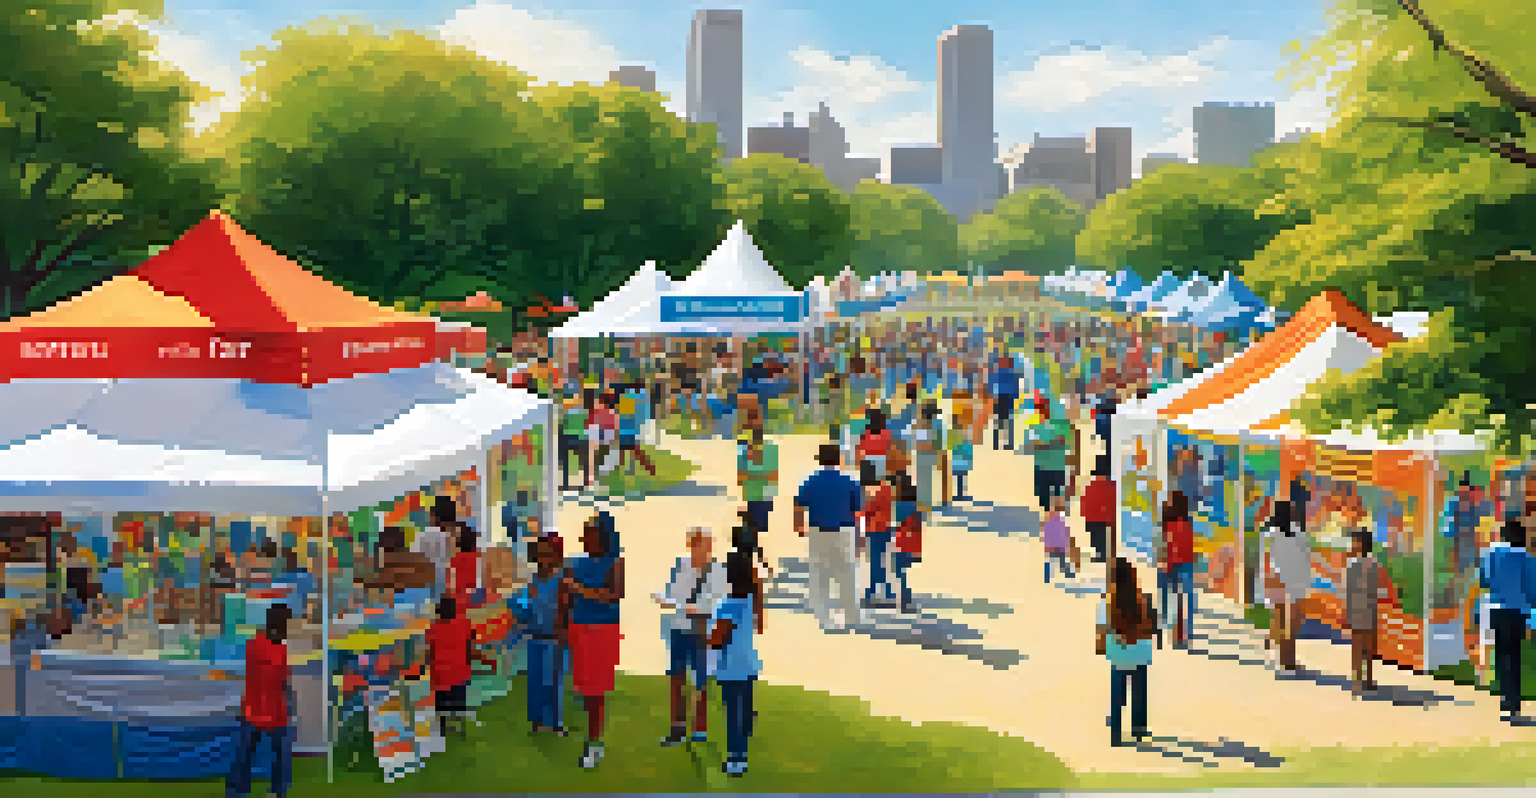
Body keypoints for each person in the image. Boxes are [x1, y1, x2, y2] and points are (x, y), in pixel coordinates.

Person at [655, 526, 727, 747]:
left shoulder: (718, 571)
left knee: (701, 681)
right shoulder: (682, 565)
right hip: (679, 629)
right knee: (677, 679)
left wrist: (684, 606)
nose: (704, 549)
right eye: (699, 544)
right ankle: (677, 728)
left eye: (707, 545)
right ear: (692, 545)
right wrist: (666, 600)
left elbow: (717, 603)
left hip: (701, 631)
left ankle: (699, 728)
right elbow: (673, 593)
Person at [564, 512, 625, 768]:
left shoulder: (615, 562)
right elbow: (565, 597)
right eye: (584, 532)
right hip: (579, 628)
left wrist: (579, 589)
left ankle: (594, 743)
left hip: (602, 630)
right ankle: (592, 739)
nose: (583, 537)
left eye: (589, 533)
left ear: (602, 536)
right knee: (585, 689)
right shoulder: (575, 562)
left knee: (596, 690)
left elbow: (614, 594)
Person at [794, 444, 864, 632]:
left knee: (820, 575)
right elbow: (858, 513)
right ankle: (852, 617)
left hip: (818, 531)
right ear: (839, 459)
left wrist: (799, 525)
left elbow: (798, 505)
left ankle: (824, 618)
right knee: (848, 574)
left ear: (820, 460)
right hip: (845, 531)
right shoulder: (850, 482)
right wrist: (860, 536)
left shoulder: (810, 481)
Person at [228, 604, 295, 798]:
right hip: (266, 707)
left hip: (259, 706)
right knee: (272, 754)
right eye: (288, 622)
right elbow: (280, 677)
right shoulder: (273, 647)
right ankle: (275, 791)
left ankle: (240, 791)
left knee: (247, 753)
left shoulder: (258, 643)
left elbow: (278, 677)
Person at [710, 549, 764, 777]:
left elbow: (716, 640)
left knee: (733, 715)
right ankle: (743, 744)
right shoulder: (752, 601)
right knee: (744, 713)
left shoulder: (726, 606)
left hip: (730, 669)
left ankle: (736, 759)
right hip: (749, 666)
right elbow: (759, 626)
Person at [1480, 518, 1536, 722]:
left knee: (1502, 655)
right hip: (1518, 612)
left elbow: (1484, 580)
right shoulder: (1527, 558)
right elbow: (1532, 589)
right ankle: (1514, 703)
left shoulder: (1491, 554)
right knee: (1515, 655)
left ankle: (1505, 700)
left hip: (1496, 610)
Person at [1096, 558, 1156, 746]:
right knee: (1139, 693)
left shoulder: (1107, 601)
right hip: (1140, 653)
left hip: (1119, 654)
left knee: (1117, 694)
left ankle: (1116, 733)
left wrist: (1101, 646)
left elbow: (1101, 629)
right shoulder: (1143, 599)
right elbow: (1151, 626)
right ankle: (1139, 730)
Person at [515, 536, 570, 735]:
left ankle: (556, 723)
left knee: (553, 682)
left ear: (557, 556)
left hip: (555, 639)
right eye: (540, 553)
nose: (542, 558)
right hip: (535, 637)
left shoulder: (561, 580)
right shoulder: (534, 580)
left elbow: (566, 609)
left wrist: (563, 634)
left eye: (548, 553)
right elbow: (526, 606)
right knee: (535, 682)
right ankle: (537, 722)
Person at [1263, 499, 1311, 673]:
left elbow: (1265, 558)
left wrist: (1264, 581)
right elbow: (1306, 558)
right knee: (1292, 624)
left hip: (1277, 579)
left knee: (1280, 621)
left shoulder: (1270, 533)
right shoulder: (1299, 534)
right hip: (1295, 581)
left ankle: (1283, 659)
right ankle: (1289, 659)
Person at [1344, 526, 1388, 696]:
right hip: (1369, 609)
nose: (1351, 545)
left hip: (1357, 609)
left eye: (1354, 542)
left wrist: (1347, 612)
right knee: (1368, 647)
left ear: (1360, 544)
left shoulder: (1352, 564)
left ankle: (1358, 681)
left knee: (1358, 646)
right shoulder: (1373, 563)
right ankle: (1366, 680)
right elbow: (1377, 588)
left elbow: (1348, 590)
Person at [426, 595, 473, 740]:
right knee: (458, 700)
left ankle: (442, 727)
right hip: (459, 673)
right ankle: (459, 725)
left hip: (441, 675)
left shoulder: (433, 628)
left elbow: (430, 652)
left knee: (441, 702)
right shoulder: (464, 624)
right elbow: (468, 647)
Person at [1159, 490, 1197, 649]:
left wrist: (1164, 565)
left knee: (1174, 599)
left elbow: (1166, 546)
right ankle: (1182, 634)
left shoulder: (1169, 523)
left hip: (1172, 564)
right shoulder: (1187, 523)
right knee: (1183, 600)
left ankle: (1173, 632)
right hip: (1184, 564)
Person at [858, 464, 895, 608]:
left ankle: (873, 591)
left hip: (873, 530)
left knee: (874, 561)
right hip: (886, 528)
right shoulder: (886, 487)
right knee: (885, 560)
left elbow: (865, 512)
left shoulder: (867, 492)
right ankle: (887, 591)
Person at [1026, 400, 1070, 515]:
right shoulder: (1037, 428)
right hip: (1049, 467)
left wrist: (1044, 444)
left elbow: (1033, 445)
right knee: (1048, 501)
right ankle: (1052, 524)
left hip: (1051, 468)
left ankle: (1054, 524)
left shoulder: (1054, 427)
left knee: (1053, 502)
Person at [891, 475, 923, 614]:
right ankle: (905, 599)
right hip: (910, 544)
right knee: (902, 573)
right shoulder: (915, 509)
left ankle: (902, 600)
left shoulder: (897, 506)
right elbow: (917, 530)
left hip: (899, 542)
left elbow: (893, 525)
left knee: (898, 573)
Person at [739, 427, 779, 536]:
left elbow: (741, 477)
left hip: (758, 494)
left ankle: (755, 547)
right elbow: (773, 475)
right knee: (757, 528)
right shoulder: (770, 451)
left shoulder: (747, 452)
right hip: (761, 494)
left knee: (755, 528)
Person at [414, 496, 457, 598]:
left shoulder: (422, 535)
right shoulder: (456, 537)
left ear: (433, 516)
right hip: (450, 589)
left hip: (425, 587)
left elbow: (414, 561)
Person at [1081, 455, 1117, 564]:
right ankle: (1105, 554)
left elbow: (1085, 501)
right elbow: (1113, 502)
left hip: (1093, 517)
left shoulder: (1091, 485)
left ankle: (1101, 553)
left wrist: (1084, 515)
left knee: (1096, 536)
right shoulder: (1112, 485)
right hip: (1104, 517)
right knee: (1103, 536)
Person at [912, 401, 943, 512]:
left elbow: (916, 441)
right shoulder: (936, 425)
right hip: (930, 455)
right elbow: (938, 442)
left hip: (922, 455)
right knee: (927, 480)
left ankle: (922, 504)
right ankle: (926, 504)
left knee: (922, 480)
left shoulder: (920, 425)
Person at [1042, 492, 1078, 582]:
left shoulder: (1049, 517)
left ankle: (1047, 577)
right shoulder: (1059, 519)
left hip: (1051, 546)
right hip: (1059, 546)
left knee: (1051, 561)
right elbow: (1064, 532)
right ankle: (1068, 573)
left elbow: (1045, 531)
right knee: (1061, 561)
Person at [450, 523, 484, 612]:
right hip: (474, 597)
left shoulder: (456, 559)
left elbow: (452, 580)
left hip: (458, 597)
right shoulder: (478, 558)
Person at [560, 392, 591, 490]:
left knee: (565, 462)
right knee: (584, 462)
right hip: (581, 438)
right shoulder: (585, 412)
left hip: (569, 437)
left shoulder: (567, 412)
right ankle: (585, 483)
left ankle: (566, 483)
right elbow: (587, 424)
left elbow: (563, 425)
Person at [989, 355, 1020, 450]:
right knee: (1007, 421)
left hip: (1001, 397)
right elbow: (1015, 386)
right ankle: (1007, 443)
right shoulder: (1011, 373)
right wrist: (1015, 396)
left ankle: (997, 442)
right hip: (1005, 397)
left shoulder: (997, 372)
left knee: (1000, 420)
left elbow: (992, 384)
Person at [856, 410, 891, 480]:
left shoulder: (865, 434)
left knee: (867, 482)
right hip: (881, 459)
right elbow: (889, 448)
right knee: (879, 481)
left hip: (868, 460)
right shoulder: (886, 433)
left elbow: (860, 448)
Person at [950, 412, 974, 502]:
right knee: (961, 478)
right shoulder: (963, 433)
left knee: (960, 478)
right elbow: (967, 446)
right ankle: (960, 495)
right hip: (961, 459)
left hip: (958, 459)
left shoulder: (953, 433)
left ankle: (960, 495)